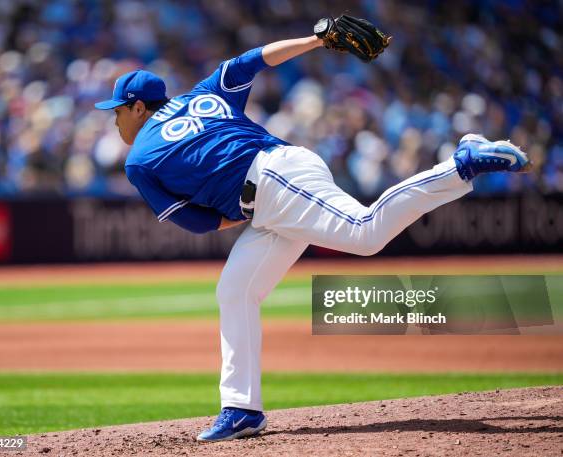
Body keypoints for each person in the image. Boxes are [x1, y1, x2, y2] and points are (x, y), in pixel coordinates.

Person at [94, 19, 530, 442]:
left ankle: (461, 164)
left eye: (117, 112)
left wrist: (240, 212)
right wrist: (317, 39)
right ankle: (241, 408)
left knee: (365, 233)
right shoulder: (202, 94)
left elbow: (194, 222)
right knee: (235, 290)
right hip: (277, 184)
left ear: (137, 107)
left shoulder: (140, 160)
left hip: (273, 183)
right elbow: (253, 60)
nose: (114, 122)